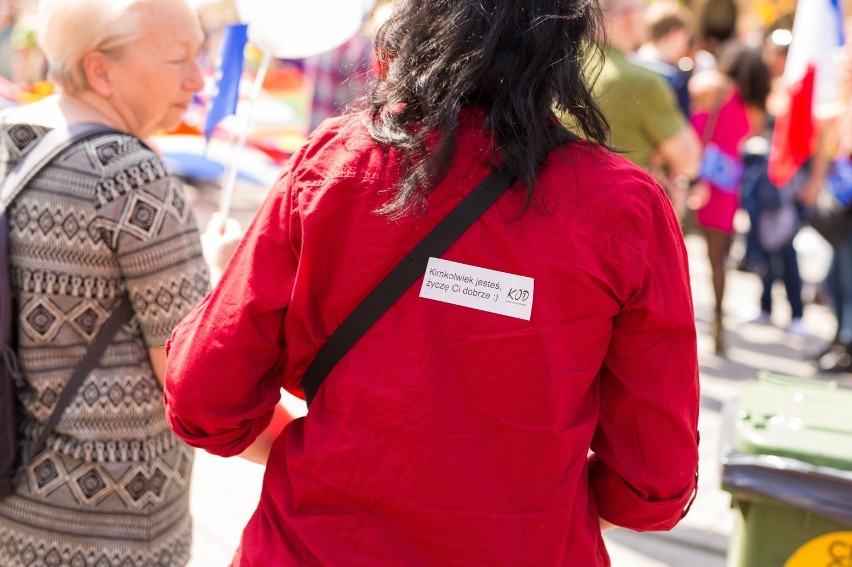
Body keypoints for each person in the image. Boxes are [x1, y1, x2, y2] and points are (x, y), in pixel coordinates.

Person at [164, 1, 700, 566]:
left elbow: (205, 393)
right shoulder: (623, 209)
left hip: (315, 546)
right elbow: (654, 480)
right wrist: (524, 507)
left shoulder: (337, 163)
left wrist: (329, 455)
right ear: (563, 48)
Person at [0, 0, 213, 565]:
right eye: (178, 58)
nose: (197, 78)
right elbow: (191, 373)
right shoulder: (129, 176)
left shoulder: (9, 139)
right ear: (101, 70)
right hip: (113, 525)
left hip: (13, 502)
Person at [688, 41, 772, 354]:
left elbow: (689, 100)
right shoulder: (755, 107)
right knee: (717, 259)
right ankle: (719, 321)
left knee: (672, 248)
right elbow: (745, 139)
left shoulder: (715, 85)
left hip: (694, 176)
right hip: (726, 186)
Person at [588, 0, 701, 220]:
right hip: (623, 218)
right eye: (643, 11)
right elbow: (690, 162)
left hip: (565, 219)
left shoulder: (560, 69)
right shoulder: (641, 82)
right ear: (629, 17)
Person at [636, 0, 695, 118]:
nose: (686, 45)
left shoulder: (628, 63)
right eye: (686, 36)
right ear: (674, 33)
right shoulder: (673, 80)